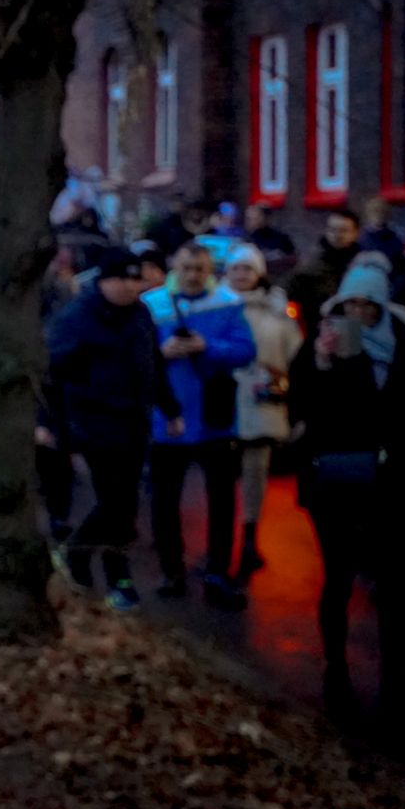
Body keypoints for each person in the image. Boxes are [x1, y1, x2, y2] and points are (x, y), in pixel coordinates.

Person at [287, 261, 405, 720]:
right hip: (336, 481)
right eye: (351, 303)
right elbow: (306, 409)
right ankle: (336, 668)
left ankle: (396, 678)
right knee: (339, 574)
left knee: (397, 581)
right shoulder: (323, 343)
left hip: (391, 480)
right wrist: (325, 364)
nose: (359, 312)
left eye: (368, 303)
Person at [40, 248, 178, 612]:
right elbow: (50, 372)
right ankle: (101, 567)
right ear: (105, 280)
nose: (133, 287)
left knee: (125, 502)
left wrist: (170, 407)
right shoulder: (77, 318)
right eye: (124, 279)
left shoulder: (140, 315)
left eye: (137, 279)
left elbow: (154, 363)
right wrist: (49, 423)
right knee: (115, 499)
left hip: (134, 420)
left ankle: (93, 564)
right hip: (93, 421)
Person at [145, 243, 257, 608]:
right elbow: (135, 354)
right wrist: (160, 354)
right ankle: (172, 570)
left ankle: (218, 571)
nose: (193, 275)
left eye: (199, 268)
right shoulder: (152, 305)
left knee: (223, 501)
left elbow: (245, 350)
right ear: (174, 266)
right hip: (169, 413)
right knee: (164, 501)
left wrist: (207, 347)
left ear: (210, 270)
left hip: (214, 416)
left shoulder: (227, 301)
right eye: (187, 267)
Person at [223, 245, 302, 582]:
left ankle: (250, 540)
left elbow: (295, 355)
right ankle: (223, 546)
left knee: (256, 475)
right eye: (236, 269)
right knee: (223, 480)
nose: (242, 276)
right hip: (224, 405)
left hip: (263, 403)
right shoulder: (216, 307)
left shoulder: (277, 311)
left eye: (248, 270)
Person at [288, 207, 363, 326]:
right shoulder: (310, 266)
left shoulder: (363, 265)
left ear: (355, 233)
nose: (337, 235)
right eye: (333, 230)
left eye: (343, 230)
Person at [358, 196, 404, 273]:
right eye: (375, 210)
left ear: (388, 214)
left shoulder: (395, 241)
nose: (379, 214)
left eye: (383, 211)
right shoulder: (359, 238)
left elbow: (399, 268)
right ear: (368, 213)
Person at [244, 203, 296, 267]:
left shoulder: (281, 238)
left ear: (265, 218)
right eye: (249, 219)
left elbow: (293, 259)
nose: (251, 222)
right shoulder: (246, 241)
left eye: (255, 218)